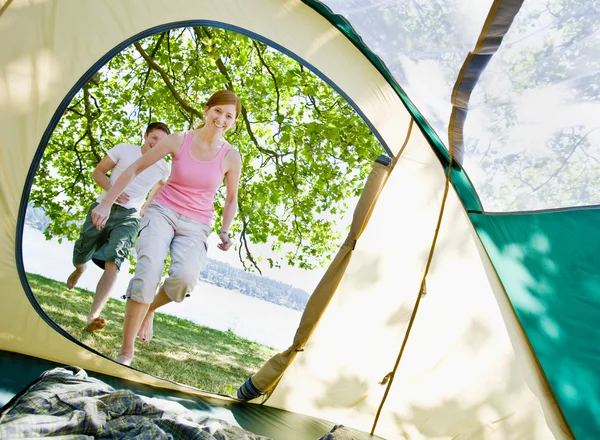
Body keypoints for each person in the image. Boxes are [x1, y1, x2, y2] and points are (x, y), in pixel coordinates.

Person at [91, 90, 242, 366]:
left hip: (197, 223)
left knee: (184, 280)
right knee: (147, 273)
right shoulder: (179, 140)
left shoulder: (231, 156)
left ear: (234, 122)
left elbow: (231, 199)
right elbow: (135, 167)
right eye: (217, 111)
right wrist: (106, 203)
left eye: (229, 116)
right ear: (206, 110)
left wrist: (225, 230)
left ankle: (149, 308)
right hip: (162, 212)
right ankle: (125, 353)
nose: (221, 118)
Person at [67, 122, 171, 333]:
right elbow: (98, 172)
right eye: (153, 138)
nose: (156, 144)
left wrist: (145, 208)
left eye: (161, 142)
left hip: (129, 216)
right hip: (104, 206)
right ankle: (80, 268)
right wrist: (113, 190)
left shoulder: (164, 167)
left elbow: (159, 188)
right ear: (145, 136)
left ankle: (93, 315)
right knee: (81, 252)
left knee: (114, 261)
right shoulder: (124, 149)